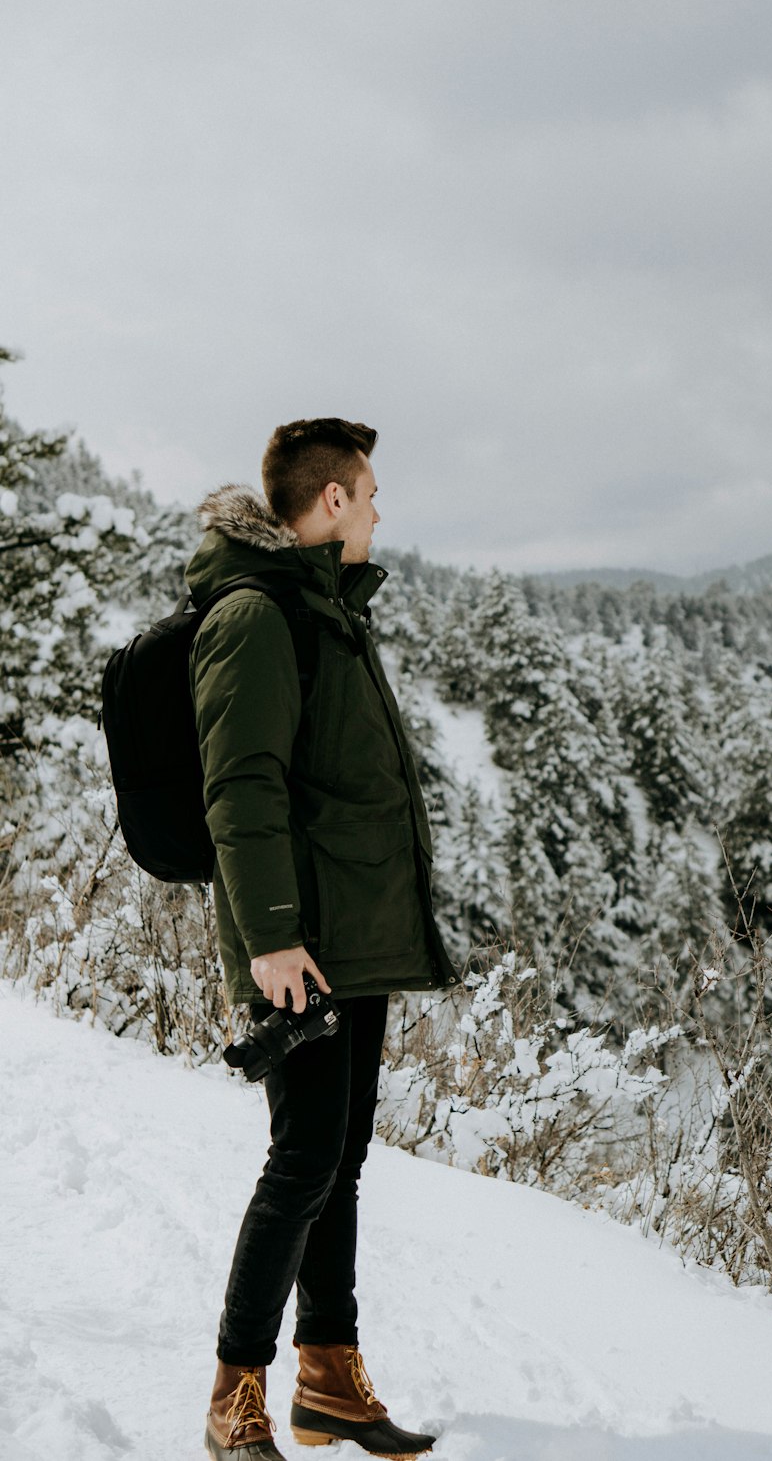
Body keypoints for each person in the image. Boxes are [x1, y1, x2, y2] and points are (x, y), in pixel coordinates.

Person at [186, 418, 458, 1460]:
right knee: (300, 1160)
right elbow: (239, 788)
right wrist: (267, 939)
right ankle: (232, 1395)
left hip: (350, 930)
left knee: (338, 1161)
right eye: (370, 494)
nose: (380, 512)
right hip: (296, 940)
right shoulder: (257, 615)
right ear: (331, 501)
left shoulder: (322, 612)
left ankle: (330, 1382)